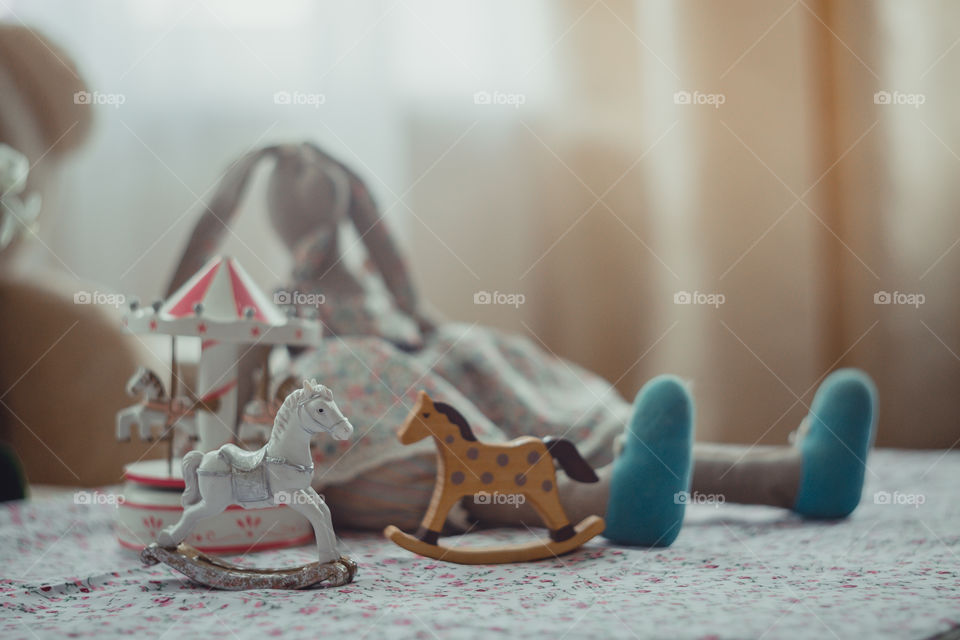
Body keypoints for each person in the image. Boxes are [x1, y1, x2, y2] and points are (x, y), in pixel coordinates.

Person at [170, 143, 877, 546]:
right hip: (368, 442)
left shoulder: (387, 311)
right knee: (380, 388)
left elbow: (403, 304)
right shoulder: (274, 319)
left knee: (482, 362)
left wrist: (423, 329)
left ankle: (796, 476)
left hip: (413, 363)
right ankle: (595, 502)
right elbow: (247, 361)